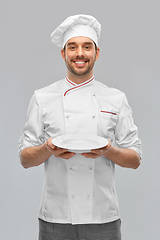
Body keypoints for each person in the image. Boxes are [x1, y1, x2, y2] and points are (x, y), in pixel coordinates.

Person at [19, 14, 142, 240]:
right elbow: (25, 159)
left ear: (96, 53)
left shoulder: (115, 98)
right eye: (72, 47)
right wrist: (47, 148)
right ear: (63, 53)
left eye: (87, 47)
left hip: (104, 218)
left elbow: (135, 160)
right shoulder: (42, 97)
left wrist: (109, 151)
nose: (80, 54)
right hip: (55, 217)